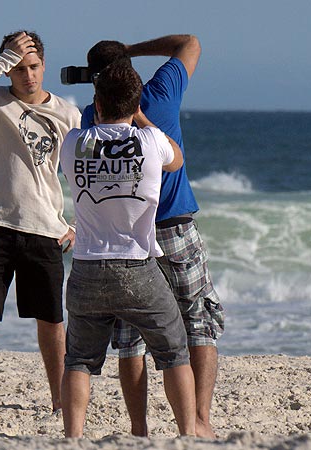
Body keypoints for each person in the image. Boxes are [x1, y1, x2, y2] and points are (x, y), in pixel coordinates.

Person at [80, 35, 225, 438]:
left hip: (126, 237)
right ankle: (199, 421)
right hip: (175, 226)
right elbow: (191, 43)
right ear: (130, 73)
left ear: (96, 85)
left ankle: (139, 428)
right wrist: (134, 50)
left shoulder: (90, 121)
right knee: (197, 320)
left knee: (130, 336)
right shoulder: (161, 90)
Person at [59, 59, 196, 438]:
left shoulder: (74, 142)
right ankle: (186, 434)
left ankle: (73, 438)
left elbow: (85, 135)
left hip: (87, 267)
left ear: (97, 103)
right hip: (136, 266)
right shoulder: (151, 141)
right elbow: (177, 160)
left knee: (80, 360)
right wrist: (142, 119)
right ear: (136, 105)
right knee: (174, 352)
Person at [0, 30, 81, 414]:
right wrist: (3, 59)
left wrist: (76, 225)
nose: (28, 75)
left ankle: (59, 400)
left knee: (52, 321)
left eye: (34, 66)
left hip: (45, 232)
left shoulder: (67, 114)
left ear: (45, 66)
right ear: (8, 69)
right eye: (19, 68)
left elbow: (79, 175)